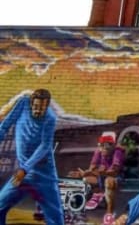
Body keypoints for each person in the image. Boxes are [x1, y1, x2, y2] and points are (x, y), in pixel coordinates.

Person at [0, 89, 61, 225]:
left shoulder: (50, 119)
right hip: (23, 174)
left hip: (44, 174)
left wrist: (25, 169)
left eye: (42, 108)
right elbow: (6, 125)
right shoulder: (23, 103)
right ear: (31, 103)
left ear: (47, 106)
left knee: (55, 217)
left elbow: (45, 146)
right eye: (35, 106)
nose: (38, 110)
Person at [71, 131, 125, 219]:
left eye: (107, 144)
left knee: (109, 181)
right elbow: (92, 167)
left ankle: (109, 213)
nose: (103, 147)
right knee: (80, 179)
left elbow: (114, 172)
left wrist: (101, 172)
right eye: (101, 144)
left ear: (113, 145)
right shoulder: (98, 151)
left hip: (115, 177)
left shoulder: (118, 152)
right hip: (100, 176)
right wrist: (84, 174)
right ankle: (92, 198)